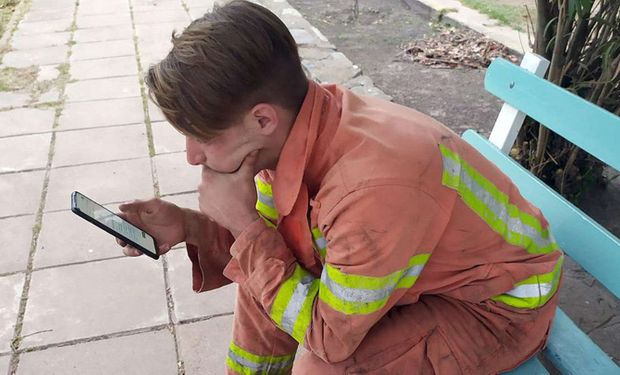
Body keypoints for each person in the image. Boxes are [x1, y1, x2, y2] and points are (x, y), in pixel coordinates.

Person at [116, 1, 563, 373]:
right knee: (262, 269)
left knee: (320, 367)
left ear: (262, 119)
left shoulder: (374, 188)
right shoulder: (298, 128)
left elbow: (328, 338)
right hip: (414, 274)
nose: (192, 156)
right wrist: (191, 226)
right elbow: (278, 249)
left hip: (492, 308)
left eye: (201, 135)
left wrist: (246, 228)